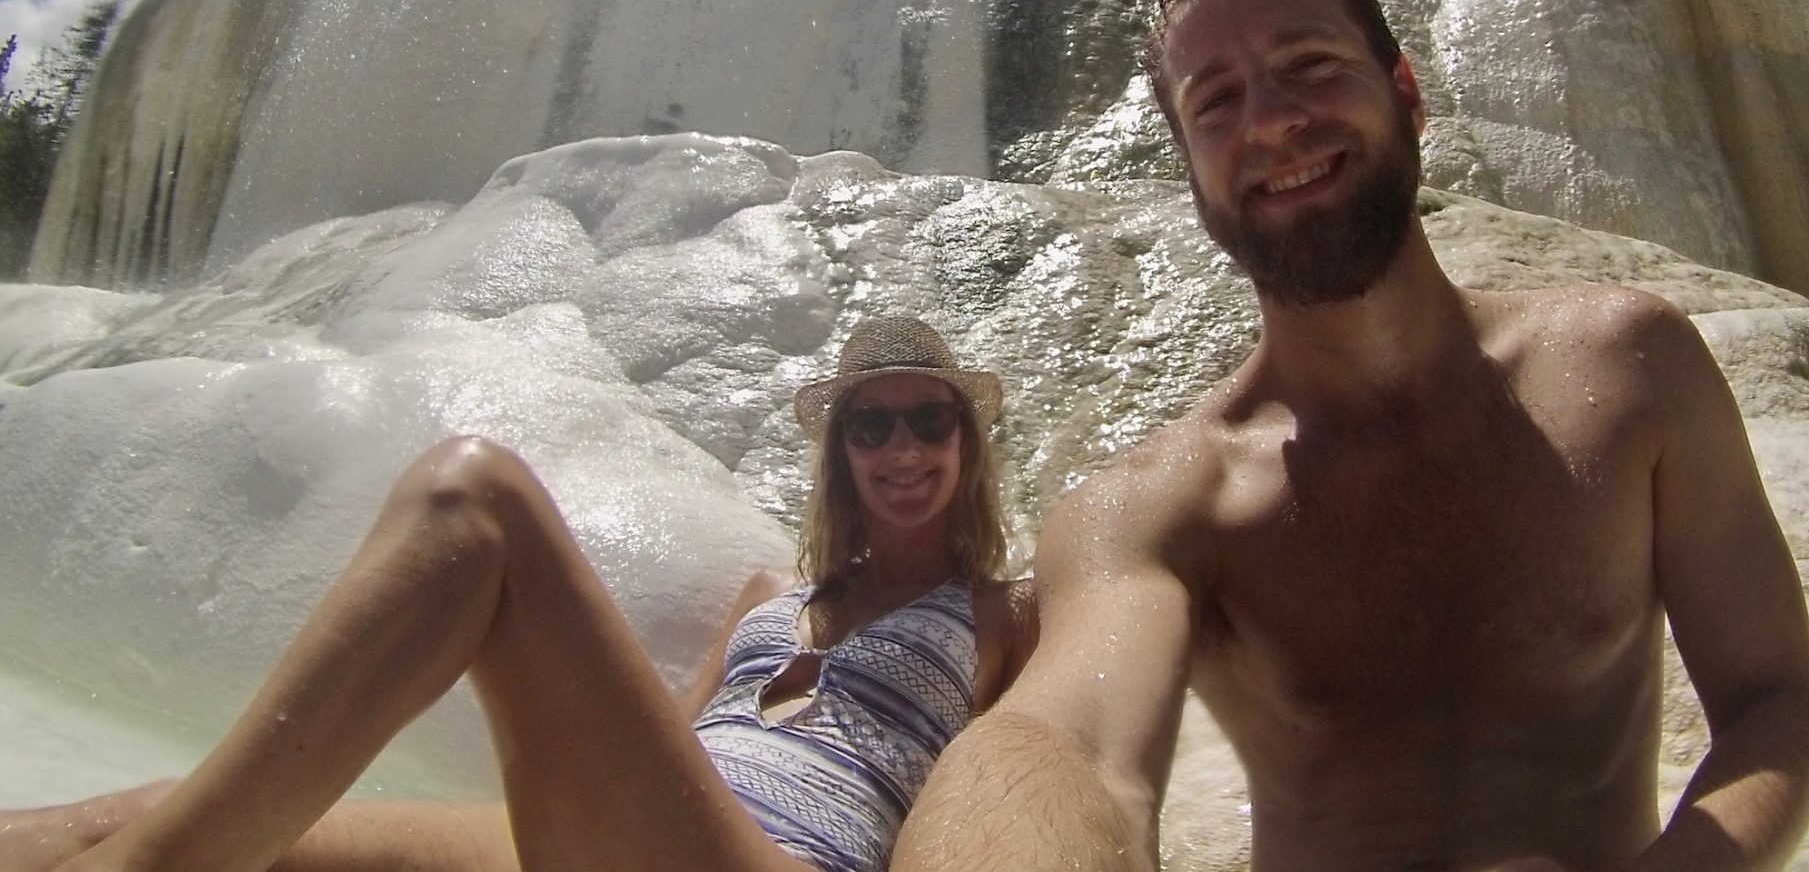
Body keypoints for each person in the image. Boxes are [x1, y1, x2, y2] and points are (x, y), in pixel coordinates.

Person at [893, 0, 1809, 872]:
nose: (1270, 121)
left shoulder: (1632, 365)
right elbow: (1071, 751)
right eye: (1216, 102)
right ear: (1190, 174)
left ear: (1408, 94)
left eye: (1309, 63)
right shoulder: (1159, 507)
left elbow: (1777, 700)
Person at [1, 314, 1036, 872]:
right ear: (841, 452)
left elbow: (1000, 809)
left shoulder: (1002, 616)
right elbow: (665, 746)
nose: (901, 447)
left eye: (928, 421)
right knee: (139, 810)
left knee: (475, 497)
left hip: (790, 857)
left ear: (965, 442)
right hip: (655, 834)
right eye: (871, 424)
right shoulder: (770, 589)